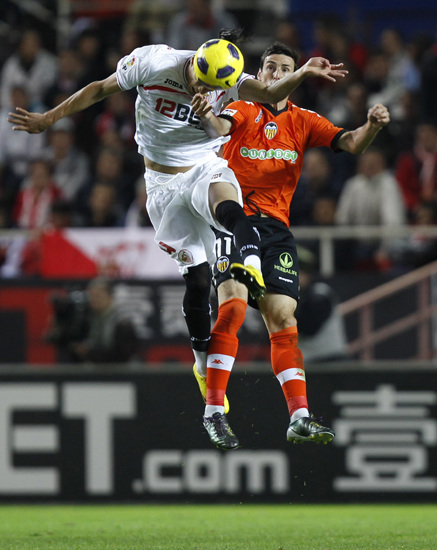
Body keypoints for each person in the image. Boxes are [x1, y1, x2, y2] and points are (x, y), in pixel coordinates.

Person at [8, 33, 346, 425]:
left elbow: (272, 91)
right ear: (194, 63)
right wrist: (49, 118)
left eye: (216, 87)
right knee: (198, 280)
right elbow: (99, 89)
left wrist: (304, 72)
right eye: (201, 81)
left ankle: (249, 262)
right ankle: (203, 364)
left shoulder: (232, 82)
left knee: (232, 209)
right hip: (162, 185)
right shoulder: (153, 63)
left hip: (204, 166)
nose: (205, 90)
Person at [191, 41, 389, 449]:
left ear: (294, 78)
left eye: (284, 68)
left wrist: (373, 125)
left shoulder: (304, 121)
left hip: (277, 231)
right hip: (236, 219)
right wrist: (209, 115)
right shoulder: (244, 107)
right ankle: (213, 410)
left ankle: (299, 417)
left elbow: (351, 144)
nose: (276, 74)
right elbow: (222, 127)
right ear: (259, 74)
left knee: (283, 319)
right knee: (232, 305)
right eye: (269, 67)